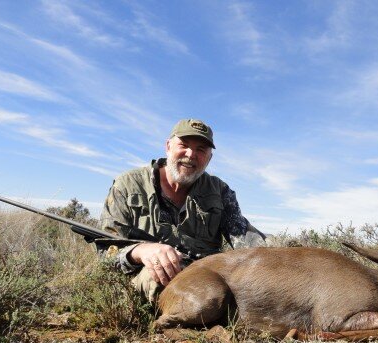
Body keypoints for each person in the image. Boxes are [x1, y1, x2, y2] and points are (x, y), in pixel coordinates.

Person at [100, 118, 265, 302]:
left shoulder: (220, 191)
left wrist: (282, 260)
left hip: (207, 280)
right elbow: (105, 255)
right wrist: (140, 251)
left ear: (209, 158)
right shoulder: (128, 185)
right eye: (183, 145)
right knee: (162, 280)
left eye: (201, 150)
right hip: (153, 277)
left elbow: (247, 240)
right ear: (168, 146)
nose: (191, 154)